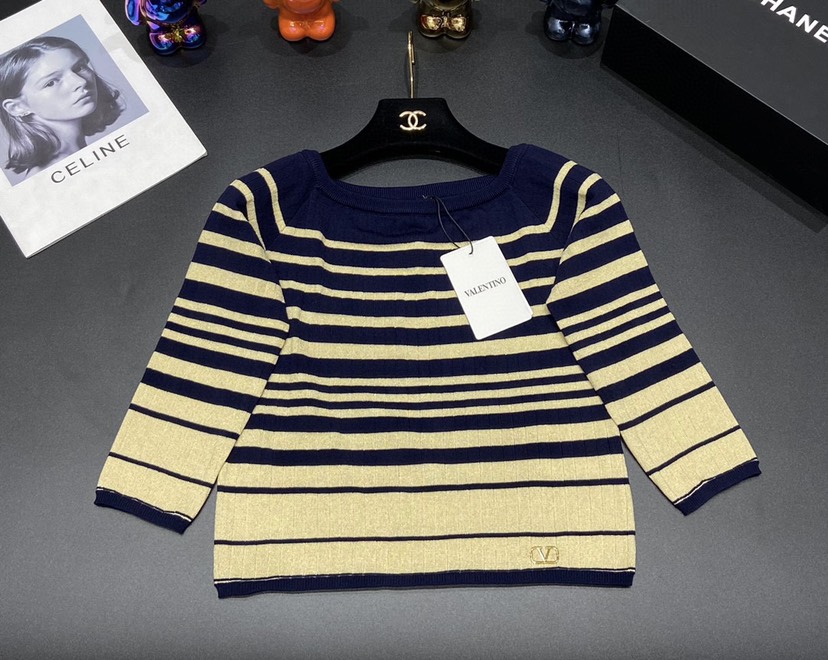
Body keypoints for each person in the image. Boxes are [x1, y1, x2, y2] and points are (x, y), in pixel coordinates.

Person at [0, 36, 124, 177]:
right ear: (17, 108)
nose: (80, 82)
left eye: (79, 67)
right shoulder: (49, 173)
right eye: (51, 82)